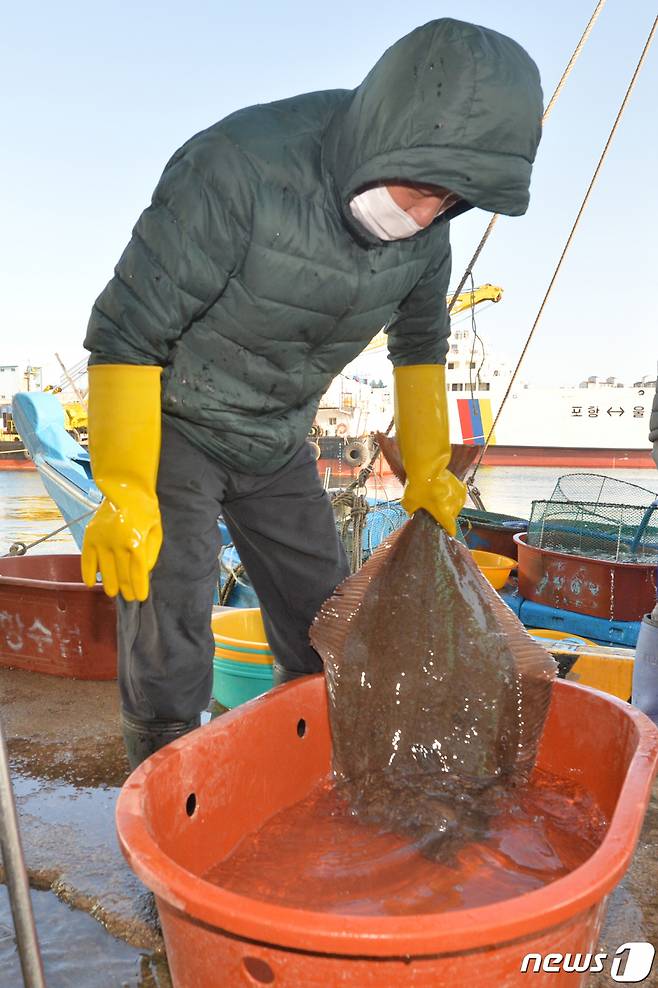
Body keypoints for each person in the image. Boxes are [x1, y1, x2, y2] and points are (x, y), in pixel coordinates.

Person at [81, 18, 543, 768]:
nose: (427, 215)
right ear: (384, 135)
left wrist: (427, 470)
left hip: (276, 436)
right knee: (170, 630)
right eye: (424, 188)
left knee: (328, 617)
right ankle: (164, 789)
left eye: (451, 200)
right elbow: (127, 334)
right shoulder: (234, 167)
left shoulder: (430, 232)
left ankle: (320, 771)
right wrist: (124, 488)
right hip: (172, 427)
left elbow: (420, 350)